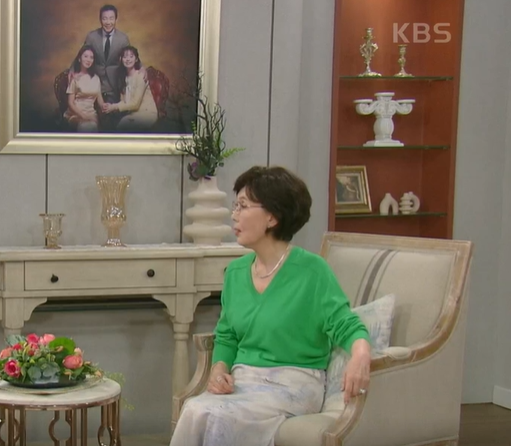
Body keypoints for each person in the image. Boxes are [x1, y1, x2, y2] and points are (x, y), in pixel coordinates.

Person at [170, 166, 372, 446]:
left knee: (220, 417)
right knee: (194, 408)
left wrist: (361, 355)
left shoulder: (312, 271)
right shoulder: (236, 272)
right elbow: (227, 335)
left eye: (243, 206)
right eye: (235, 206)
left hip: (294, 384)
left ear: (272, 217)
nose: (234, 215)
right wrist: (218, 370)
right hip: (244, 382)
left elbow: (347, 325)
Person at [81, 4, 130, 130]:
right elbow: (82, 55)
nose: (108, 22)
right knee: (91, 121)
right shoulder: (92, 36)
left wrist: (142, 69)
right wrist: (71, 71)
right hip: (94, 82)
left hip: (114, 85)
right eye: (105, 18)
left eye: (111, 18)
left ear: (116, 19)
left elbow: (130, 57)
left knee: (113, 121)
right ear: (100, 19)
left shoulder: (123, 38)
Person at [103, 45, 158, 131]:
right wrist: (110, 106)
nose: (128, 59)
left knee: (123, 125)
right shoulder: (123, 78)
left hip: (147, 113)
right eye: (125, 57)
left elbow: (135, 104)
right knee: (119, 125)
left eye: (131, 56)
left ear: (136, 59)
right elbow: (124, 101)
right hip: (133, 114)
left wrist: (114, 107)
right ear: (121, 59)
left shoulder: (140, 76)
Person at [64, 45, 107, 132]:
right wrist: (83, 116)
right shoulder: (75, 78)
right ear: (79, 59)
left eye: (91, 57)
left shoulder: (96, 78)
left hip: (91, 113)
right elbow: (70, 103)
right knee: (86, 127)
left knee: (92, 126)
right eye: (86, 56)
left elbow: (100, 100)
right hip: (76, 113)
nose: (88, 60)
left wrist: (105, 106)